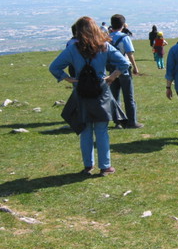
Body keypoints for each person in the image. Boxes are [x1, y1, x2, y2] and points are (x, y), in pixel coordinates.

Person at [49, 16, 131, 176]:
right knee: (101, 130)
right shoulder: (104, 46)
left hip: (81, 91)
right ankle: (105, 166)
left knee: (85, 130)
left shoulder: (73, 48)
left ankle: (88, 166)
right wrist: (112, 76)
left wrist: (69, 78)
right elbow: (124, 63)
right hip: (101, 91)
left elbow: (54, 67)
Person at [109, 14, 143, 129]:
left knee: (114, 96)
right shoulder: (124, 37)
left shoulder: (107, 37)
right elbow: (129, 53)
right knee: (128, 96)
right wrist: (135, 67)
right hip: (124, 70)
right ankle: (132, 121)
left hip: (111, 70)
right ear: (123, 25)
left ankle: (117, 121)